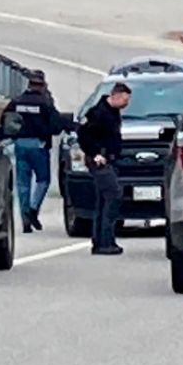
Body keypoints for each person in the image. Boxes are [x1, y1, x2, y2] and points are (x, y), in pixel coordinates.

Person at [2, 70, 62, 233]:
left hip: (20, 145)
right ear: (42, 85)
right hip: (38, 145)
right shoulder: (45, 103)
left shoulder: (16, 101)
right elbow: (56, 125)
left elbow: (5, 121)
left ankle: (25, 221)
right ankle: (33, 208)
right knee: (43, 180)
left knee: (23, 184)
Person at [77, 82, 132, 255]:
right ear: (115, 96)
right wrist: (94, 154)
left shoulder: (113, 113)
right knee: (113, 196)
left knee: (103, 201)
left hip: (110, 160)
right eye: (124, 99)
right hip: (100, 161)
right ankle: (105, 240)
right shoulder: (97, 113)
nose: (126, 104)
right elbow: (83, 134)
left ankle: (101, 242)